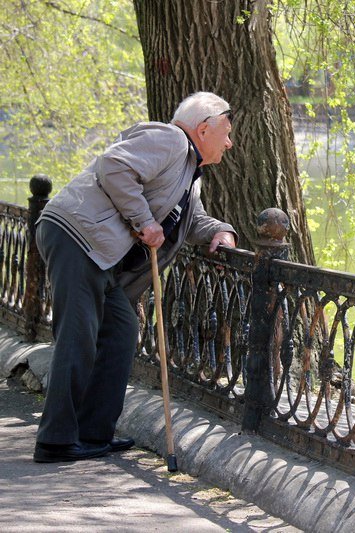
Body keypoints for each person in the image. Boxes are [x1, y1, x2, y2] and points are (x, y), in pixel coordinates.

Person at [33, 92, 238, 463]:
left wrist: (222, 233)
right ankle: (56, 441)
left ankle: (92, 432)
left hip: (99, 254)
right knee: (78, 337)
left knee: (121, 332)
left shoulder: (191, 174)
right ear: (203, 128)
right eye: (225, 132)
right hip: (78, 236)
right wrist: (144, 220)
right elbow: (113, 167)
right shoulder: (172, 139)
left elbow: (194, 222)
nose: (229, 142)